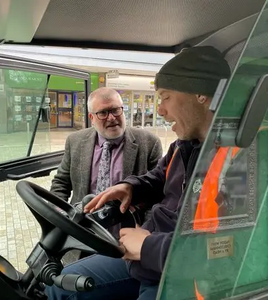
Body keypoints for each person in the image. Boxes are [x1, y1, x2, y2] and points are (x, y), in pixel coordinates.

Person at [45, 46, 231, 300]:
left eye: (165, 97)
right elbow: (159, 177)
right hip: (145, 254)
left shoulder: (242, 158)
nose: (161, 110)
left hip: (178, 274)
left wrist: (147, 246)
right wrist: (131, 187)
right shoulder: (183, 146)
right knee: (56, 287)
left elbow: (224, 253)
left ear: (200, 95)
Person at [50, 86, 163, 208]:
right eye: (103, 112)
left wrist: (145, 226)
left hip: (129, 224)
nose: (111, 118)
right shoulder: (75, 141)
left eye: (115, 110)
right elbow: (61, 183)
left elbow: (158, 193)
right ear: (91, 118)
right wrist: (57, 213)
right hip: (83, 223)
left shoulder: (149, 143)